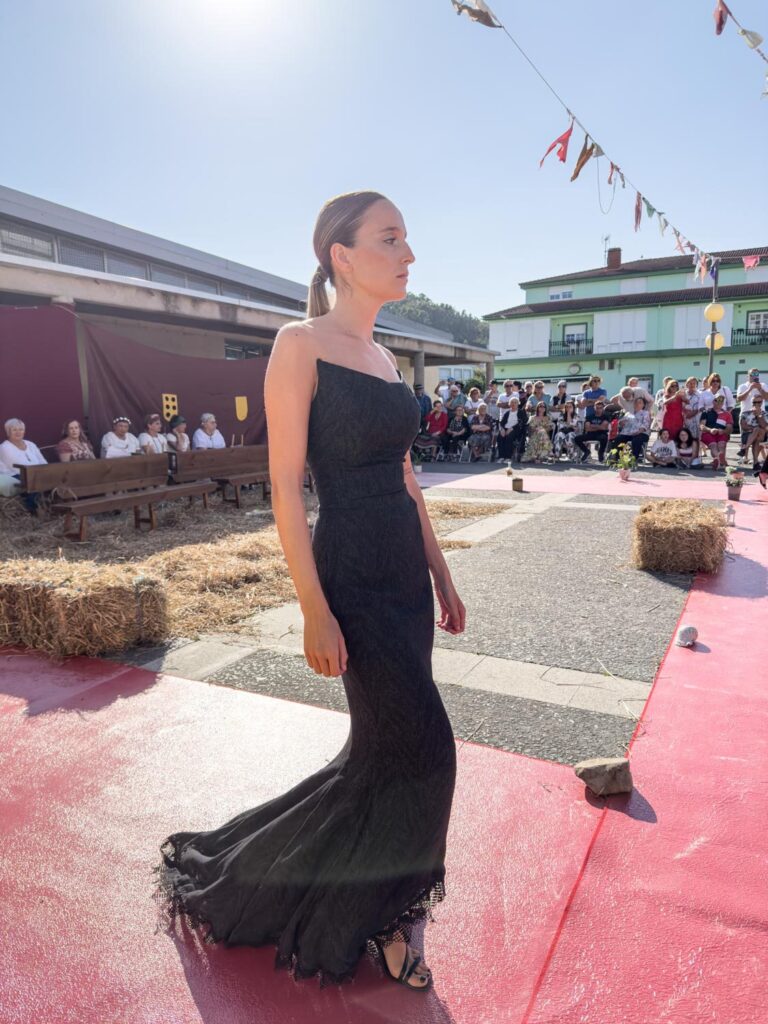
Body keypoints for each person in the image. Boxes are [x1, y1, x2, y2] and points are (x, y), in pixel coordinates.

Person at [154, 189, 463, 991]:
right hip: (352, 570)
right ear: (343, 257)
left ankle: (299, 876)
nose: (408, 253)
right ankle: (385, 916)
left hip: (402, 568)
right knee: (427, 747)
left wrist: (442, 570)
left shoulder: (389, 357)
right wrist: (313, 608)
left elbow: (407, 478)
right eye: (391, 238)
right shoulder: (299, 344)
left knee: (380, 754)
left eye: (407, 237)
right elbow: (286, 490)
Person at [1, 419, 47, 514]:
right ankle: (33, 511)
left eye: (21, 429)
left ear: (24, 431)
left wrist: (45, 471)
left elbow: (43, 461)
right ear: (8, 432)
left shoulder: (30, 444)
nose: (18, 432)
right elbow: (18, 467)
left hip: (35, 473)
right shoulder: (4, 447)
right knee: (33, 482)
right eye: (14, 430)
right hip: (15, 475)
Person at [700, 395, 733, 469]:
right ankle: (721, 460)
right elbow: (702, 426)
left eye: (721, 401)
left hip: (721, 433)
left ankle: (718, 460)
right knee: (713, 445)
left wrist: (723, 431)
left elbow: (730, 428)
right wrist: (710, 430)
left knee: (722, 444)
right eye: (717, 400)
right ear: (713, 402)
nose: (719, 402)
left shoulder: (727, 414)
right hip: (708, 433)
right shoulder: (706, 412)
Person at [739, 397, 767, 465]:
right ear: (751, 403)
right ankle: (755, 463)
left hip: (762, 435)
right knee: (756, 438)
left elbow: (765, 426)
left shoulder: (765, 414)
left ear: (762, 403)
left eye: (759, 402)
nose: (757, 404)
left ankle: (744, 448)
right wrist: (754, 429)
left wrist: (758, 415)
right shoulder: (745, 413)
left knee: (758, 431)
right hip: (749, 434)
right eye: (754, 402)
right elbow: (744, 427)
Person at [497, 396, 526, 461]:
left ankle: (508, 457)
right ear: (509, 404)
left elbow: (521, 423)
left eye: (515, 402)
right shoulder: (507, 413)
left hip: (516, 430)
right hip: (506, 428)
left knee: (509, 437)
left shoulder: (521, 412)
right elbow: (502, 422)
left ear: (518, 403)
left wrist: (511, 428)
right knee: (500, 437)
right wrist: (502, 429)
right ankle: (501, 456)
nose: (513, 404)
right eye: (512, 402)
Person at [682, 377, 702, 441]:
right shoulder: (683, 394)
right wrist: (685, 413)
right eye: (690, 383)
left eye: (694, 383)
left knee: (696, 439)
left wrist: (692, 414)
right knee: (685, 439)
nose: (692, 385)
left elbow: (701, 407)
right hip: (685, 419)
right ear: (686, 384)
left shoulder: (700, 395)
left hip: (696, 419)